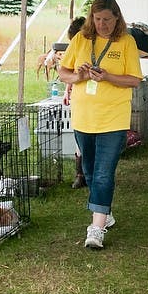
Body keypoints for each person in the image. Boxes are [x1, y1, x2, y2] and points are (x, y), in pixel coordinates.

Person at [58, 0, 142, 250]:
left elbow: (134, 80)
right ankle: (104, 210)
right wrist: (78, 76)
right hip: (84, 117)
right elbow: (63, 71)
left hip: (113, 118)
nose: (102, 24)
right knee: (92, 172)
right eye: (97, 19)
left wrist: (108, 77)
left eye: (107, 19)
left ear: (117, 18)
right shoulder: (80, 39)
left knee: (104, 173)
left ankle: (96, 229)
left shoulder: (126, 41)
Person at [62, 16, 87, 189]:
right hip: (80, 99)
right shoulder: (77, 45)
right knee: (80, 136)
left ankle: (86, 174)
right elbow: (69, 71)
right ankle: (80, 174)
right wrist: (67, 89)